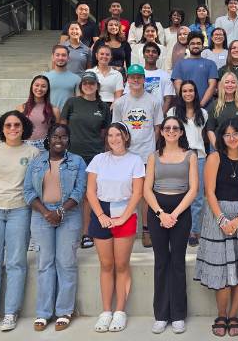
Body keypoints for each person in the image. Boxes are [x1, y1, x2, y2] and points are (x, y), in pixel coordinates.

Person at [193, 118, 238, 337]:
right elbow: (209, 192)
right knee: (221, 270)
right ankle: (221, 315)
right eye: (227, 134)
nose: (232, 138)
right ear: (221, 138)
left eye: (236, 134)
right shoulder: (215, 158)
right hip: (217, 219)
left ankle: (233, 315)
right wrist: (223, 220)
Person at [0, 111, 39, 332]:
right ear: (2, 128)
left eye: (17, 125)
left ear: (24, 128)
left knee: (16, 264)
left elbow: (34, 183)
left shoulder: (32, 152)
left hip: (19, 212)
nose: (13, 128)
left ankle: (11, 312)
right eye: (8, 125)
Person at [23, 124, 86, 332]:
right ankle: (43, 313)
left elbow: (79, 191)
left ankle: (64, 311)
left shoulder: (77, 161)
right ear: (48, 139)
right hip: (42, 216)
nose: (59, 141)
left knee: (66, 263)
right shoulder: (37, 162)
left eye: (64, 137)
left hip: (69, 215)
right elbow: (28, 191)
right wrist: (46, 213)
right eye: (55, 137)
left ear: (68, 140)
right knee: (45, 264)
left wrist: (60, 212)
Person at [87, 123, 145, 333]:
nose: (114, 139)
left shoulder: (135, 161)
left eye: (118, 135)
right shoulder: (98, 159)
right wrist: (101, 215)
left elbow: (137, 193)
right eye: (110, 136)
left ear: (126, 137)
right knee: (106, 264)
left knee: (121, 265)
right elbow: (91, 191)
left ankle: (120, 311)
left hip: (124, 213)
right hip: (101, 213)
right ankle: (106, 312)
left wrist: (122, 218)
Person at [144, 116, 199, 334]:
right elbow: (147, 189)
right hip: (157, 211)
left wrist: (174, 214)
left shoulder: (190, 156)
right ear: (162, 131)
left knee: (177, 261)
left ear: (181, 132)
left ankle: (177, 315)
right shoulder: (154, 156)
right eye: (167, 128)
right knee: (161, 262)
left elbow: (193, 189)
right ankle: (160, 315)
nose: (171, 131)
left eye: (175, 128)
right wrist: (160, 214)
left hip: (180, 212)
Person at [113, 64, 164, 248]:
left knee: (145, 193)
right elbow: (116, 130)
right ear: (127, 80)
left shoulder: (153, 101)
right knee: (126, 192)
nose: (136, 80)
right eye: (132, 77)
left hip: (146, 155)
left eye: (139, 77)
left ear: (144, 79)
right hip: (126, 155)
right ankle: (124, 226)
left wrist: (152, 148)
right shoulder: (120, 102)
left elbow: (158, 128)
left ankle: (146, 230)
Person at [60, 72, 112, 249]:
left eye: (91, 83)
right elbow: (62, 129)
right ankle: (65, 230)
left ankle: (86, 233)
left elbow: (104, 134)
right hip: (72, 154)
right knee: (68, 193)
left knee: (90, 195)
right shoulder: (71, 103)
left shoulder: (103, 106)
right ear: (81, 86)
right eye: (85, 83)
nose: (88, 86)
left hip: (95, 155)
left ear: (97, 86)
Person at [168, 81, 208, 247]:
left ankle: (193, 232)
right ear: (181, 93)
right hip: (178, 157)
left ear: (195, 92)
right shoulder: (173, 112)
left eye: (191, 90)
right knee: (177, 194)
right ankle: (176, 229)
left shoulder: (203, 113)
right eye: (185, 91)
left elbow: (204, 136)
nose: (188, 94)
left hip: (198, 157)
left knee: (197, 197)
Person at [124, 42, 176, 116]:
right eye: (147, 51)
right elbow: (127, 96)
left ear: (158, 56)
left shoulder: (166, 75)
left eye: (154, 52)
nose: (150, 54)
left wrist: (160, 119)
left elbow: (168, 99)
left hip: (158, 115)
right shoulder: (135, 75)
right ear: (143, 55)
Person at [171, 31, 219, 109]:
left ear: (203, 46)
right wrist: (188, 106)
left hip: (206, 109)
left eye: (198, 43)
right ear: (188, 46)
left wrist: (200, 106)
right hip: (185, 109)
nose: (196, 46)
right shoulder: (179, 64)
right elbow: (178, 87)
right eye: (193, 43)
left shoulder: (211, 64)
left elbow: (212, 86)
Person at [206, 73, 238, 152]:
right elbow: (210, 129)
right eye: (227, 82)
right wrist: (217, 147)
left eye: (233, 82)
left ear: (236, 85)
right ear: (222, 85)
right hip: (218, 148)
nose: (230, 85)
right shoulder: (215, 105)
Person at [15, 75, 61, 154]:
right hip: (24, 145)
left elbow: (56, 134)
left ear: (47, 89)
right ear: (32, 86)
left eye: (43, 86)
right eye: (37, 85)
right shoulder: (20, 109)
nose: (39, 89)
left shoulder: (55, 110)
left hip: (44, 146)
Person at [45, 45, 81, 110]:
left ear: (68, 58)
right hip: (49, 116)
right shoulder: (45, 77)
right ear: (52, 57)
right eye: (57, 55)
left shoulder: (76, 78)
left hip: (68, 116)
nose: (60, 58)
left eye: (63, 55)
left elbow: (78, 101)